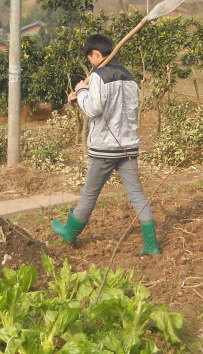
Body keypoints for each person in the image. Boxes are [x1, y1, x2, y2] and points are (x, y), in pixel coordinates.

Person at [51, 33, 160, 255]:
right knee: (138, 195)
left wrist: (81, 91)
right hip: (128, 147)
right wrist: (81, 95)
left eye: (90, 57)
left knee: (89, 195)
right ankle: (151, 245)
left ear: (96, 54)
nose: (90, 62)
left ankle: (70, 231)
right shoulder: (129, 77)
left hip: (104, 149)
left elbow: (93, 109)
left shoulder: (99, 76)